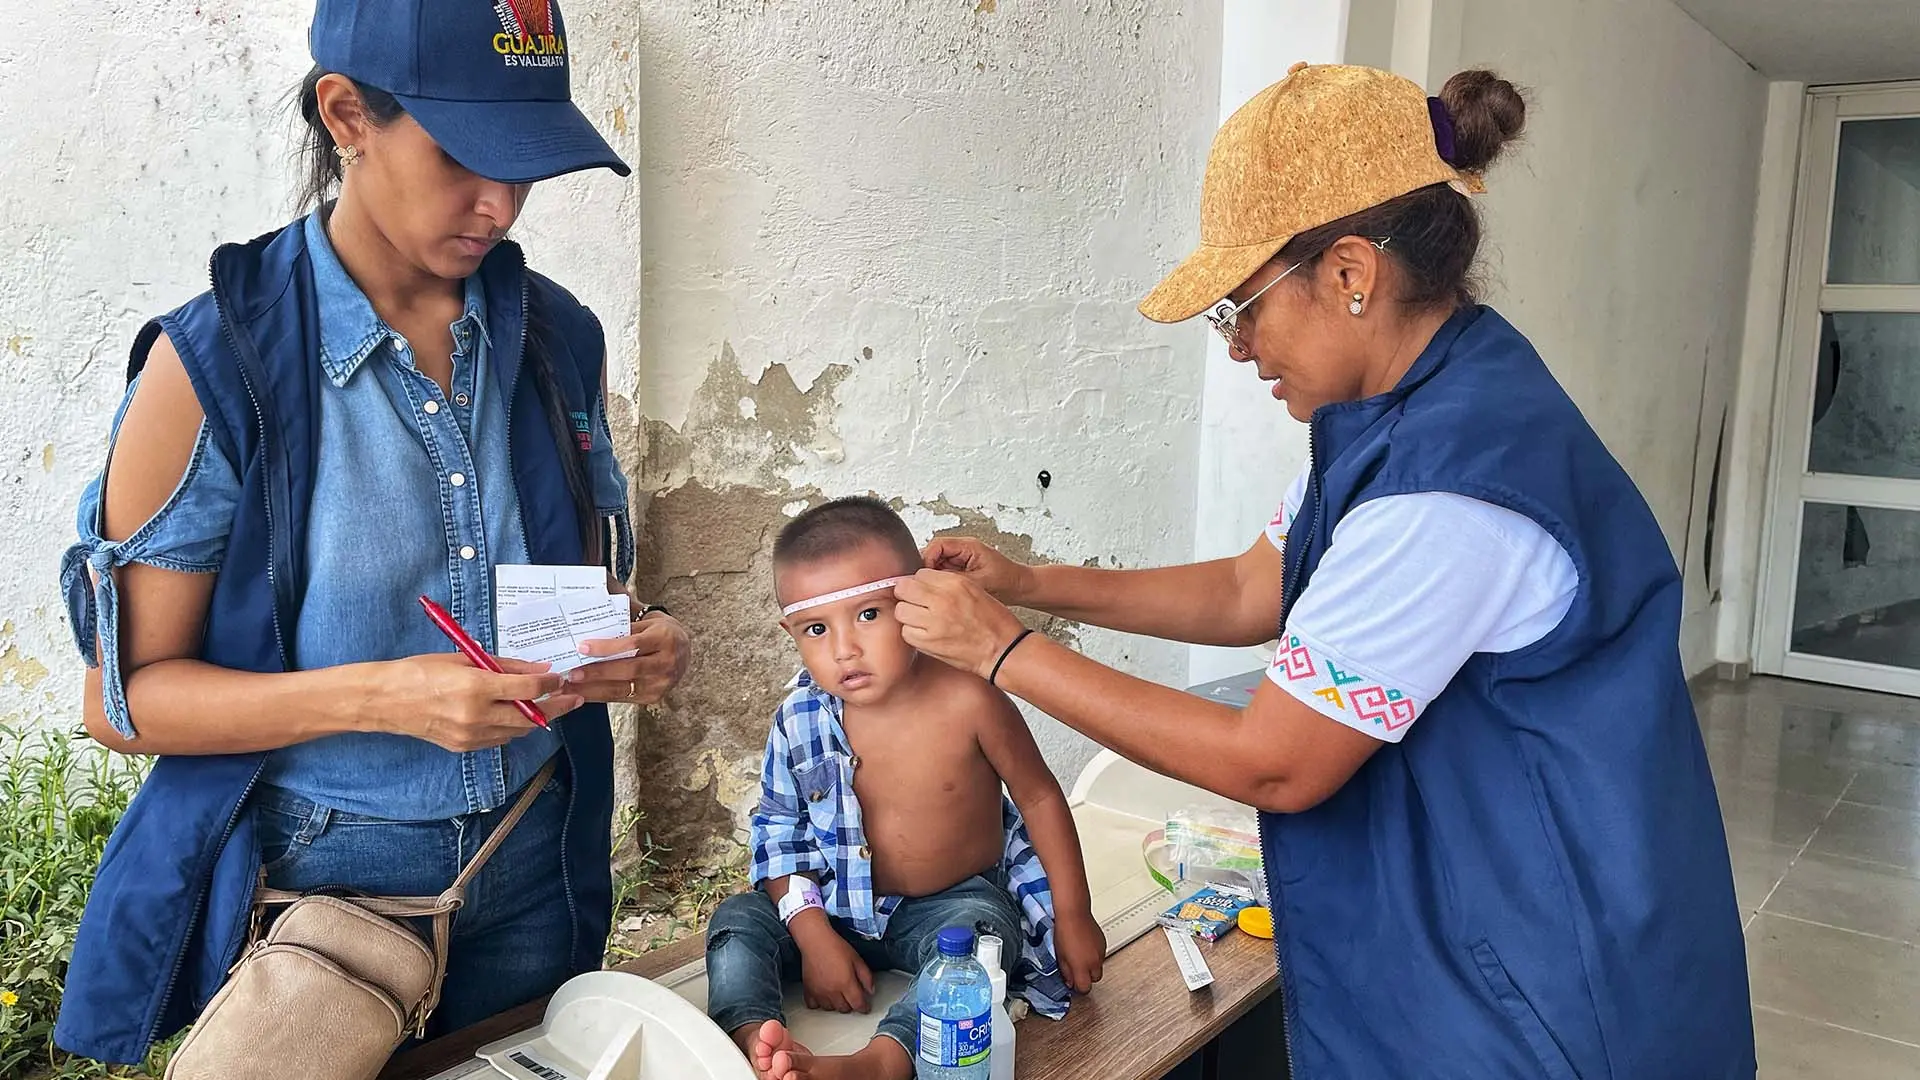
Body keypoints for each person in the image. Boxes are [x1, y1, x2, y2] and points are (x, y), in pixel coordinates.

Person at [891, 64, 1755, 1079]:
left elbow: (1277, 763)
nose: (1239, 348)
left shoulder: (1447, 486)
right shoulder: (1404, 413)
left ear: (1350, 274)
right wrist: (1029, 581)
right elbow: (1250, 590)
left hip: (1544, 970)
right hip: (1506, 904)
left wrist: (1001, 652)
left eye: (1241, 309)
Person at [51, 0, 691, 1064]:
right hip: (324, 890)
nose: (501, 203)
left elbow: (547, 592)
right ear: (345, 114)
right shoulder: (214, 368)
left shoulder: (555, 339)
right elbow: (126, 703)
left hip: (533, 854)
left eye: (525, 163)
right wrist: (390, 693)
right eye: (465, 157)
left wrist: (632, 633)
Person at [705, 497, 1104, 1080]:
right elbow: (780, 834)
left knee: (984, 940)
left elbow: (1040, 796)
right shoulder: (799, 718)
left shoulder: (971, 698)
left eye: (868, 614)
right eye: (817, 628)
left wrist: (1073, 915)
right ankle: (754, 1040)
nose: (844, 649)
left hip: (949, 908)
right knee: (737, 921)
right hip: (834, 907)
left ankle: (880, 1060)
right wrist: (815, 939)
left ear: (917, 601)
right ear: (791, 632)